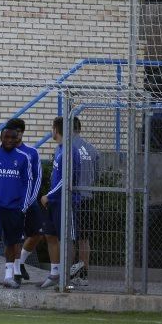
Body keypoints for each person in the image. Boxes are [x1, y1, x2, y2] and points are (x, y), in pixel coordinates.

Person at [0, 127, 33, 289]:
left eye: (13, 138)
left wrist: (24, 206)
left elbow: (28, 183)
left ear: (17, 139)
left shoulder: (23, 157)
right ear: (1, 137)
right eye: (7, 137)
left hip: (14, 207)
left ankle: (8, 276)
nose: (9, 140)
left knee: (12, 242)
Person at [40, 116, 81, 289]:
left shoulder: (70, 151)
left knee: (67, 238)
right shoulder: (59, 149)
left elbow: (67, 180)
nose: (51, 131)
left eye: (52, 127)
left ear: (56, 130)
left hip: (64, 202)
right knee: (50, 235)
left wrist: (49, 195)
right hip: (54, 202)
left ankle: (66, 277)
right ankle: (55, 273)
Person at [5, 118, 43, 283]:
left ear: (21, 133)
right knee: (15, 238)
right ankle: (15, 274)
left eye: (16, 132)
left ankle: (20, 262)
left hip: (30, 202)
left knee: (36, 234)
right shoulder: (5, 151)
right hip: (12, 204)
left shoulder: (32, 152)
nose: (13, 135)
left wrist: (30, 200)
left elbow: (37, 177)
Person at [70, 116, 99, 286]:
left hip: (74, 196)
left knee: (72, 237)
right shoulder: (92, 149)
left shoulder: (67, 147)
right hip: (88, 196)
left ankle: (72, 273)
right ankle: (84, 274)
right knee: (84, 239)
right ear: (80, 129)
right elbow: (96, 175)